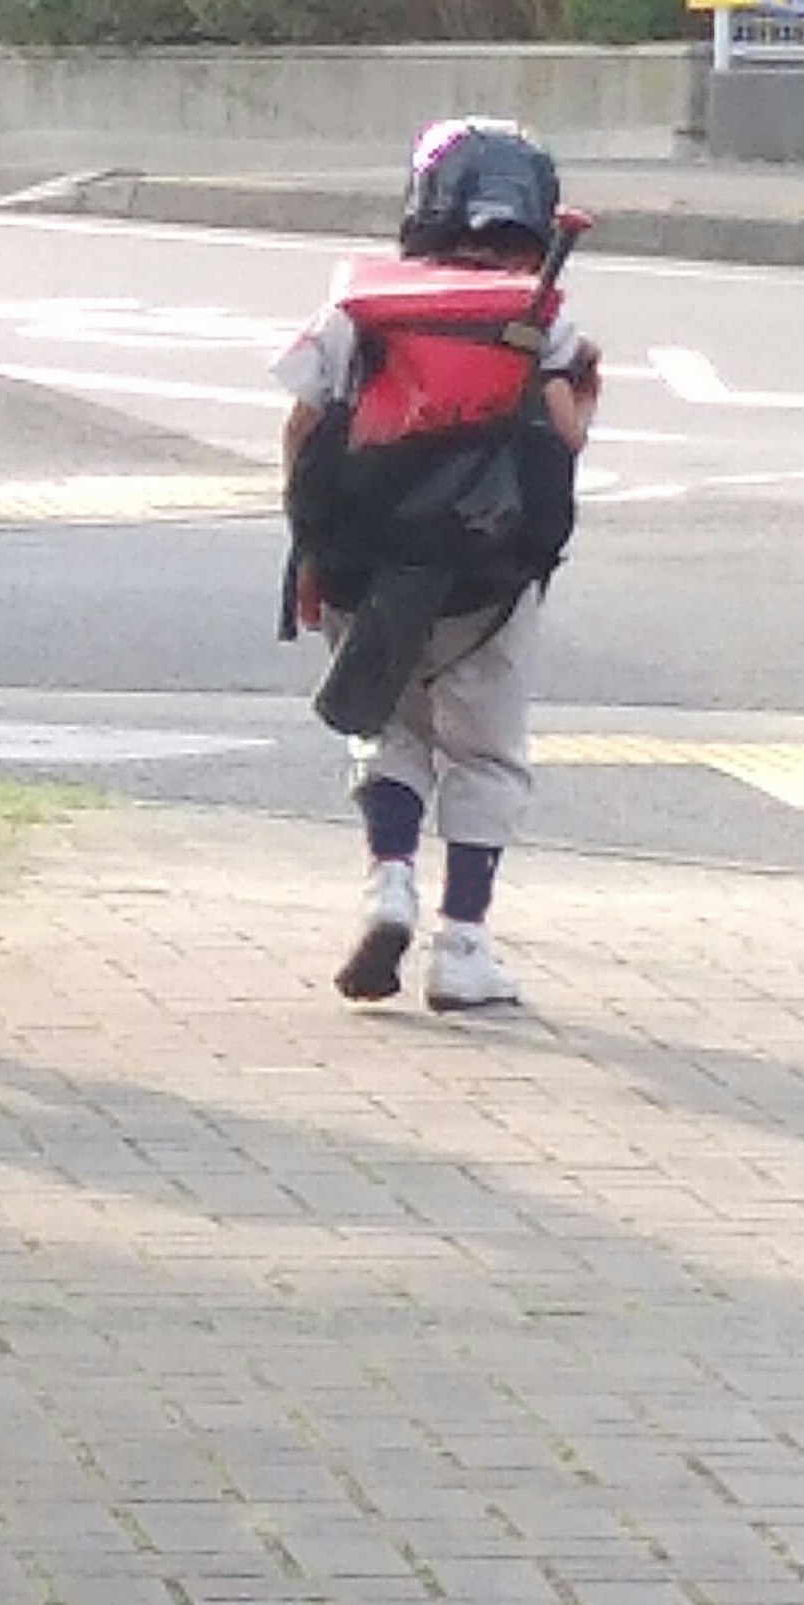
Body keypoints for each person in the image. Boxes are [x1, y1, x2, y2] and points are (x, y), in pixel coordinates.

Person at [273, 119, 600, 1013]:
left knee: (390, 727)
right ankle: (463, 944)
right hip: (487, 576)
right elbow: (566, 439)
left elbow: (303, 425)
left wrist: (307, 547)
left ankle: (387, 882)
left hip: (367, 563)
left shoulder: (360, 309)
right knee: (486, 753)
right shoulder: (541, 317)